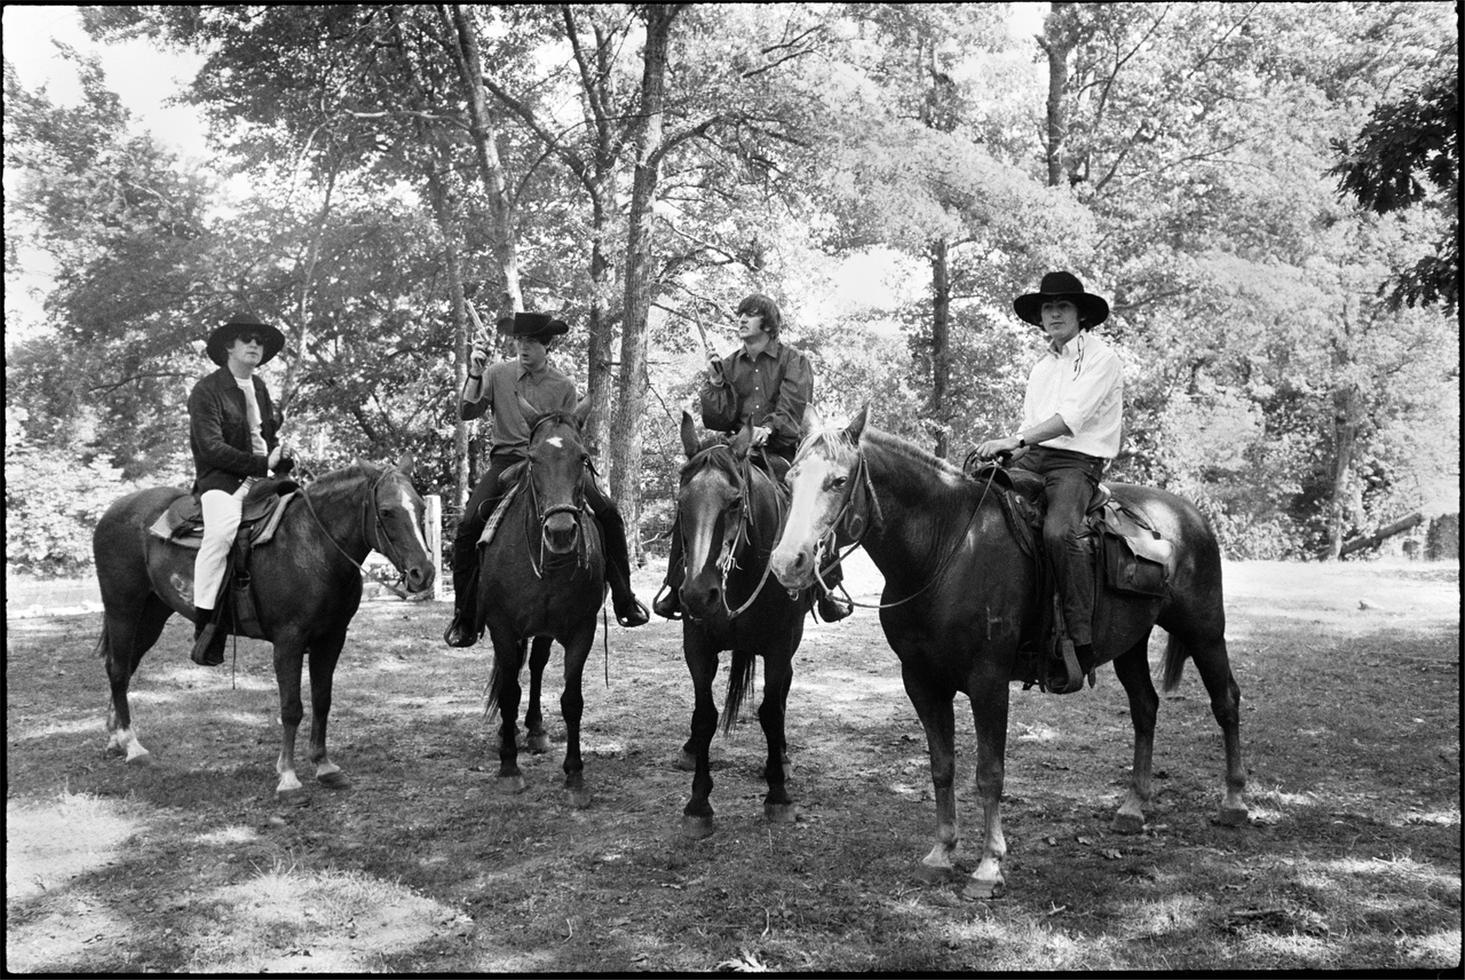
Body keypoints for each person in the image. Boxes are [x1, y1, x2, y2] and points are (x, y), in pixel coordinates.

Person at [443, 310, 649, 647]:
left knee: (608, 513)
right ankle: (465, 616)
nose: (523, 347)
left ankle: (624, 599)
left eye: (531, 342)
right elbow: (467, 412)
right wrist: (475, 375)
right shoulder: (497, 374)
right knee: (469, 524)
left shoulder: (563, 386)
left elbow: (571, 434)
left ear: (546, 346)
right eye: (520, 341)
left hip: (557, 463)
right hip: (508, 460)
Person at [652, 293, 852, 622]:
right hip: (736, 452)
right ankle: (675, 585)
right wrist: (716, 382)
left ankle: (826, 585)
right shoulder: (729, 364)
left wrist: (768, 430)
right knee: (697, 493)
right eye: (740, 314)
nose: (741, 319)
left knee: (808, 497)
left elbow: (793, 409)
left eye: (751, 314)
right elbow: (717, 419)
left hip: (781, 450)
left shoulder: (794, 361)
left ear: (769, 324)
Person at [974, 271, 1123, 673]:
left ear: (1080, 315)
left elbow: (1070, 418)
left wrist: (1014, 441)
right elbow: (1033, 425)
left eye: (1063, 306)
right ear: (1040, 317)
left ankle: (1079, 636)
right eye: (1047, 308)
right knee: (977, 502)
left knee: (1059, 531)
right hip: (1035, 457)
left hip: (1077, 462)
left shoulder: (1101, 359)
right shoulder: (1041, 367)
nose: (1054, 314)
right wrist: (1013, 452)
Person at [188, 312, 293, 666]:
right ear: (227, 346)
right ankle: (206, 626)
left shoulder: (259, 387)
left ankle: (299, 612)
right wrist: (261, 464)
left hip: (264, 478)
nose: (255, 345)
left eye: (259, 341)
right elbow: (210, 448)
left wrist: (280, 457)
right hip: (222, 481)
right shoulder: (207, 391)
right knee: (219, 536)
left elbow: (265, 437)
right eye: (247, 338)